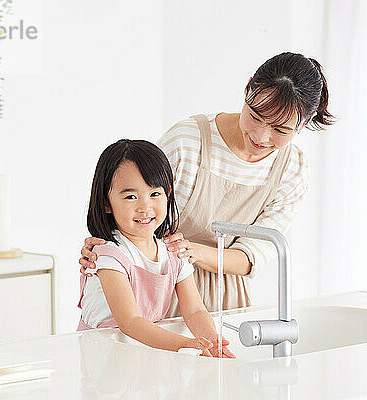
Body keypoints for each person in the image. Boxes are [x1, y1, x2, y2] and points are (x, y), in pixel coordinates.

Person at [79, 52, 335, 316]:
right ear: (248, 88)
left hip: (226, 298)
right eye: (256, 116)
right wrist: (106, 244)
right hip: (158, 286)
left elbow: (252, 257)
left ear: (305, 122)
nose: (261, 136)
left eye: (280, 129)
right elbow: (133, 204)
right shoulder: (188, 141)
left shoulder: (292, 169)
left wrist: (192, 253)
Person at [77, 139, 235, 358]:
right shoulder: (107, 255)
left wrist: (212, 341)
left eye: (154, 194)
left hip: (142, 352)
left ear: (168, 193)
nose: (145, 207)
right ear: (106, 202)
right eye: (131, 196)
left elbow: (195, 310)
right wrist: (187, 344)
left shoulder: (172, 253)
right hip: (103, 355)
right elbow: (130, 322)